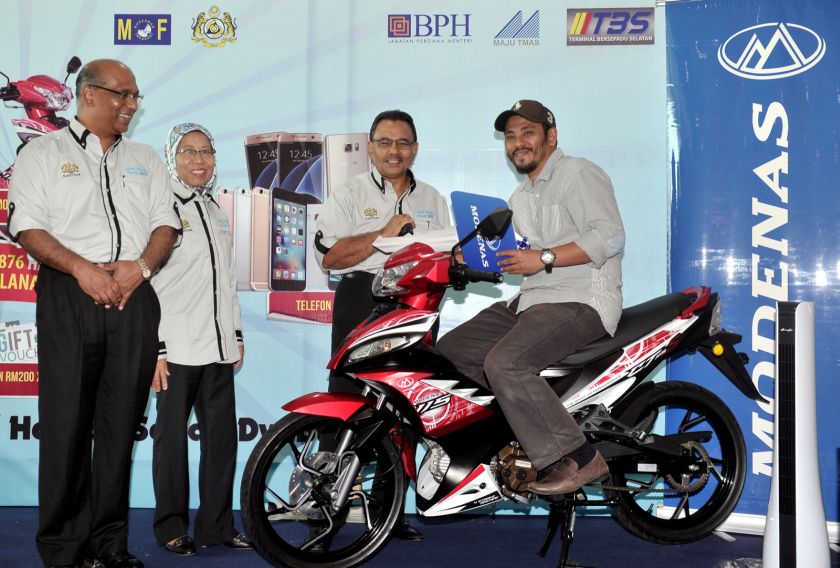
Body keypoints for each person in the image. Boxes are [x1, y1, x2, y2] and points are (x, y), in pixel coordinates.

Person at [6, 59, 180, 568]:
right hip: (69, 296)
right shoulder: (41, 152)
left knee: (119, 428)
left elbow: (165, 226)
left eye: (135, 96)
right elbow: (27, 227)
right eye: (122, 94)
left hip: (134, 297)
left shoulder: (146, 158)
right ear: (88, 95)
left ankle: (109, 544)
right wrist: (84, 270)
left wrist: (139, 270)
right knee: (64, 427)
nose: (131, 104)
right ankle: (64, 549)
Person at [436, 100, 625, 496]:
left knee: (506, 362)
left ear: (550, 137)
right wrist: (466, 257)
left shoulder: (578, 173)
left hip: (580, 300)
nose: (518, 142)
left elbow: (609, 237)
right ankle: (516, 439)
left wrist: (544, 258)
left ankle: (579, 456)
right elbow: (518, 255)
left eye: (527, 133)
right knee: (449, 351)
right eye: (510, 136)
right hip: (531, 301)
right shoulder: (520, 197)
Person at [314, 109, 452, 541]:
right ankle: (325, 505)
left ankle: (387, 511)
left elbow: (446, 258)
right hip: (362, 299)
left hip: (415, 305)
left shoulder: (432, 198)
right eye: (386, 143)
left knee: (405, 406)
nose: (395, 151)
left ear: (416, 148)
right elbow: (330, 258)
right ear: (371, 148)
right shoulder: (349, 194)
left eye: (404, 143)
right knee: (349, 401)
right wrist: (382, 232)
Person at [149, 123, 252, 556]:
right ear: (172, 157)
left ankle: (215, 525)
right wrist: (152, 348)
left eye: (206, 151)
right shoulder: (158, 209)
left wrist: (236, 334)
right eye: (188, 151)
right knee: (170, 442)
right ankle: (171, 526)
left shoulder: (214, 210)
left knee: (222, 442)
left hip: (219, 348)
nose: (199, 160)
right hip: (174, 346)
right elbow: (145, 282)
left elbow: (226, 281)